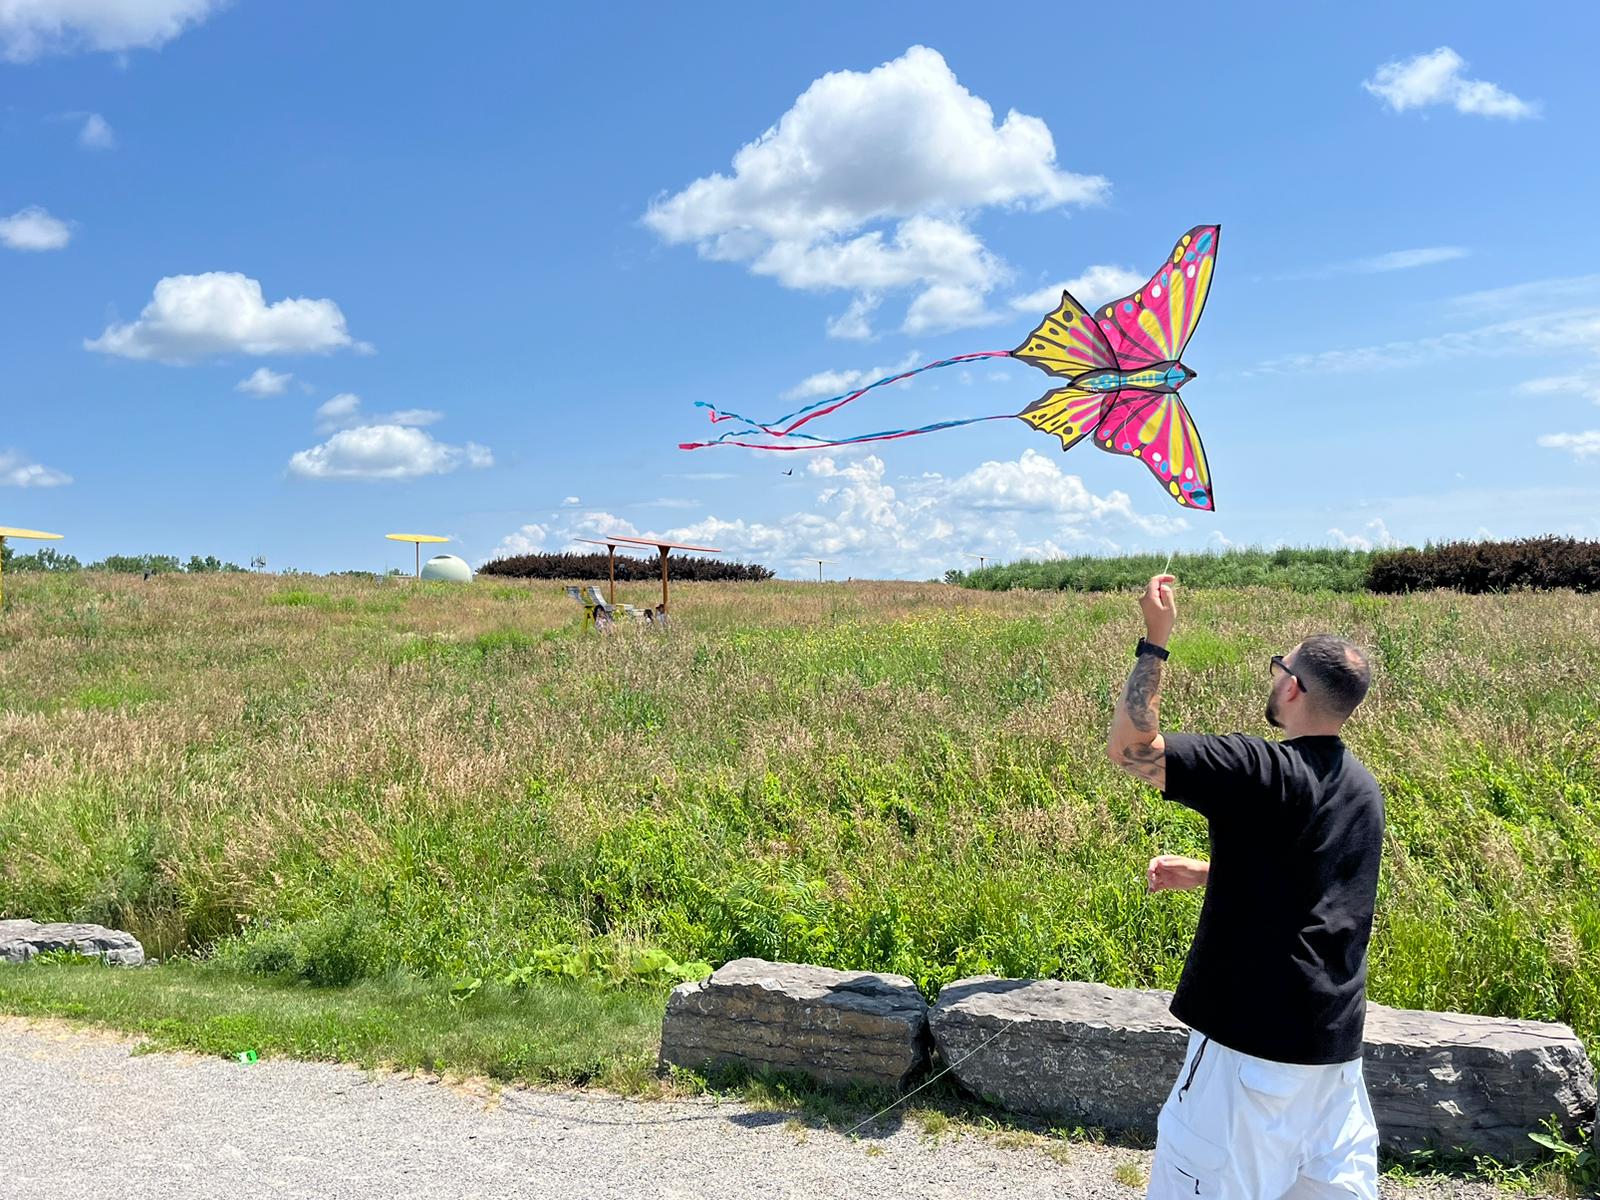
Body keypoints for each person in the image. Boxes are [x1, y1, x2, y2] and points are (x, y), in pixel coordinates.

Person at [1107, 574, 1384, 1200]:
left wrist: (1155, 641)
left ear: (1292, 686)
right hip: (1333, 1066)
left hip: (1246, 1061)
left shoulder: (1260, 769)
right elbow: (1320, 888)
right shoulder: (1364, 790)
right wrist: (1208, 873)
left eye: (1278, 666)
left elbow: (1130, 749)